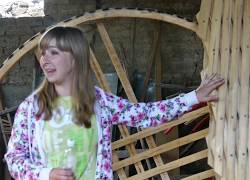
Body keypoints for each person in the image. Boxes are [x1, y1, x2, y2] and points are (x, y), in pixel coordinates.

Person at [4, 26, 224, 180]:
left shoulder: (99, 102)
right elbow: (14, 159)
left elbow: (144, 114)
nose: (44, 59)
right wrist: (46, 175)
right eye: (43, 53)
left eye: (54, 52)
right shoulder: (31, 108)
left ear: (75, 58)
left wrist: (193, 97)